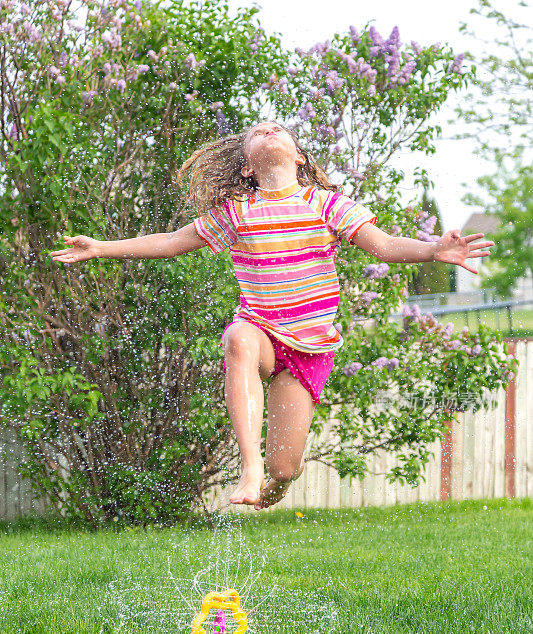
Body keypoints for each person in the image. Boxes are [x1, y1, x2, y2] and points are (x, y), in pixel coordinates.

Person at [50, 119, 494, 511]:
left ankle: (273, 481)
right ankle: (249, 468)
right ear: (247, 166)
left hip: (310, 347)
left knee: (287, 468)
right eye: (256, 132)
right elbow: (170, 242)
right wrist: (102, 248)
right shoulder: (237, 212)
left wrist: (434, 249)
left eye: (277, 129)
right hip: (261, 331)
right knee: (238, 338)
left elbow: (385, 245)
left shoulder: (326, 204)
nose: (267, 130)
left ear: (298, 155)